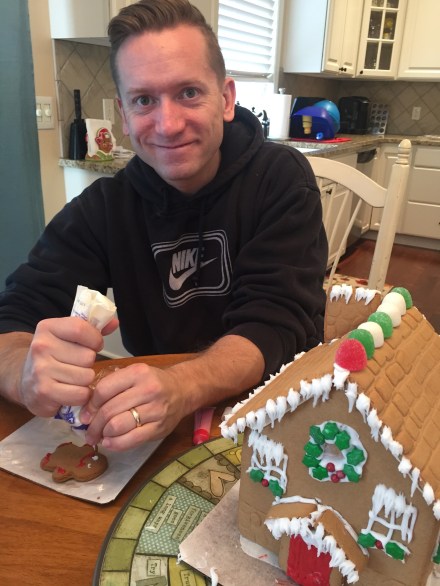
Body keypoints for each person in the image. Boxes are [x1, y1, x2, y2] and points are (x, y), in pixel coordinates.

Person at [0, 0, 328, 451]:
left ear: (226, 99)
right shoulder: (105, 208)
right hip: (157, 430)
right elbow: (15, 316)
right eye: (144, 100)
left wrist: (181, 386)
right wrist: (23, 374)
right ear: (123, 114)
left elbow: (275, 323)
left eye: (188, 92)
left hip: (279, 413)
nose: (168, 125)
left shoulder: (279, 179)